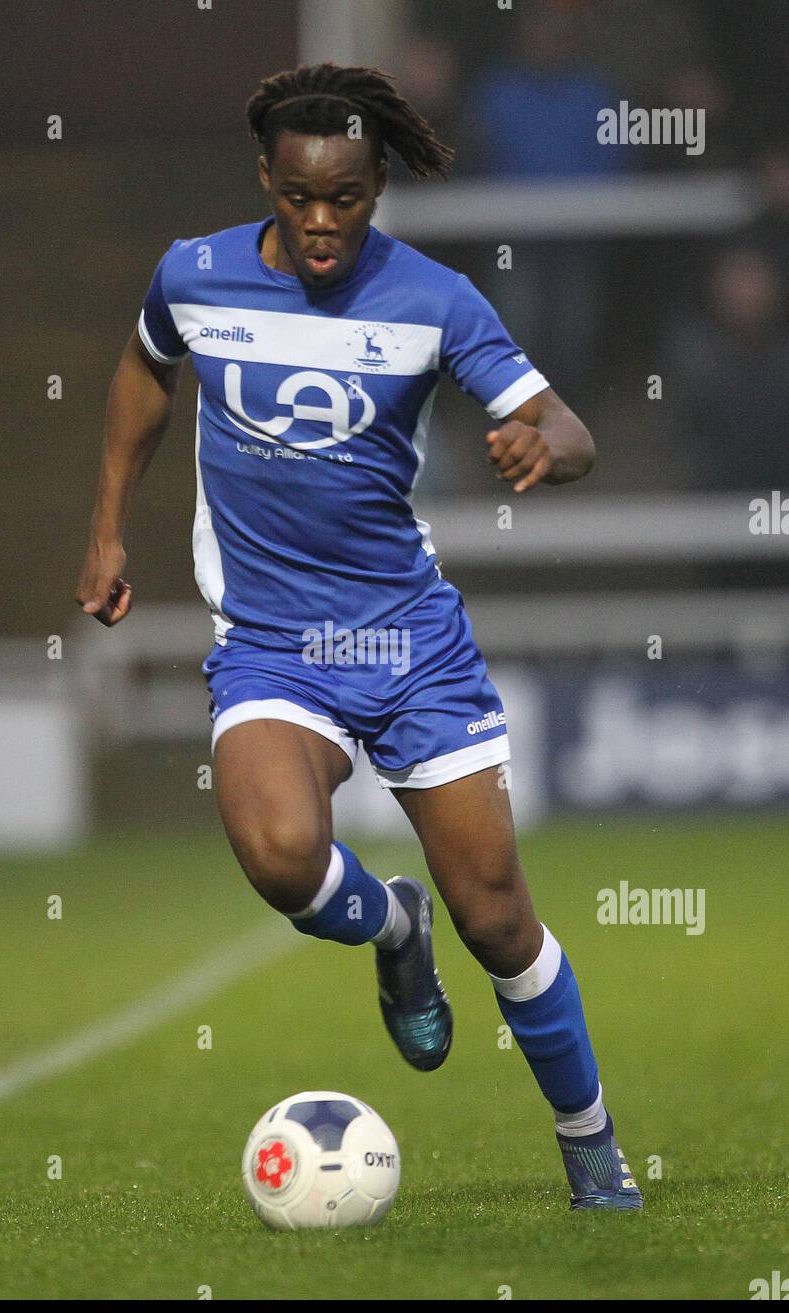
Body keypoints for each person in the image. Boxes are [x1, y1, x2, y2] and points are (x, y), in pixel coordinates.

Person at [75, 63, 641, 1211]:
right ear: (268, 182)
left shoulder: (433, 300)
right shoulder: (193, 274)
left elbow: (559, 422)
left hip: (407, 647)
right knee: (281, 854)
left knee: (497, 917)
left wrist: (552, 449)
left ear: (377, 183)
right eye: (299, 198)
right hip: (274, 643)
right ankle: (391, 926)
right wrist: (105, 533)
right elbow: (144, 370)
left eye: (346, 198)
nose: (322, 222)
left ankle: (590, 1144)